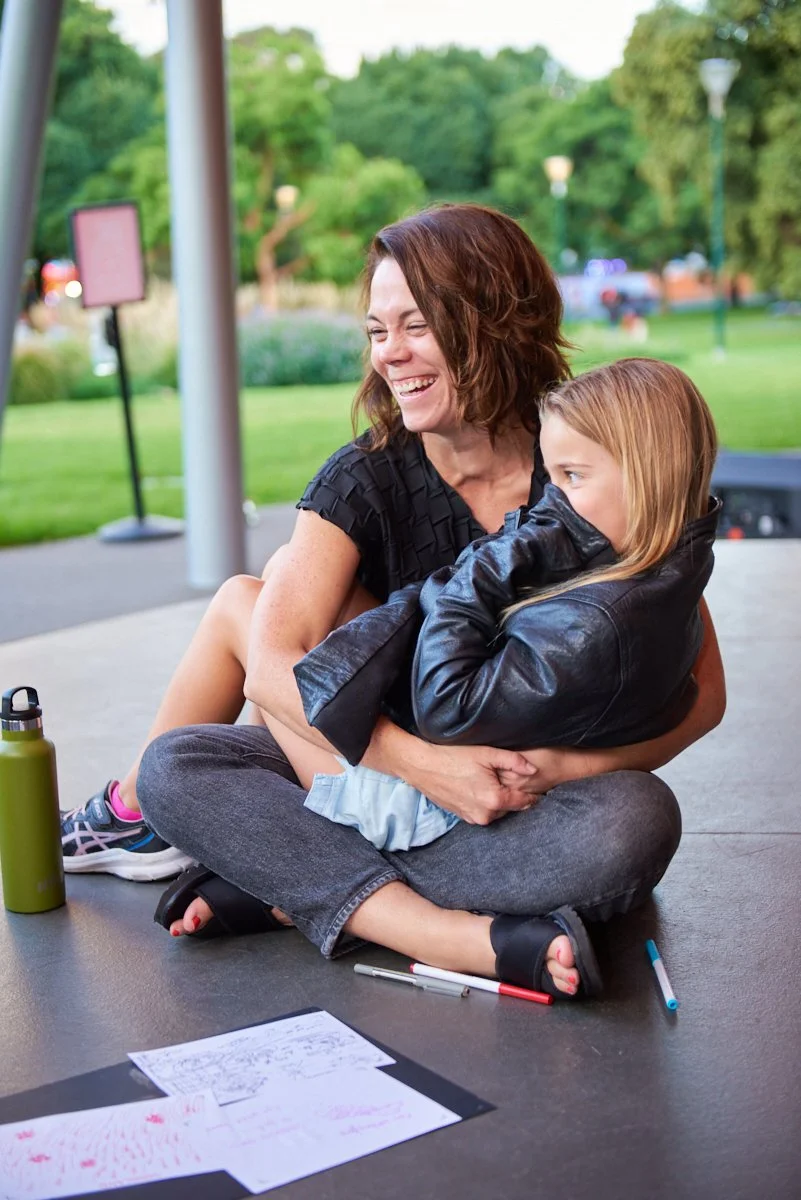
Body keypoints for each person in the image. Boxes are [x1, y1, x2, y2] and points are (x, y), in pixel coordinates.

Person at [70, 204, 725, 999]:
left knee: (638, 819)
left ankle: (299, 886)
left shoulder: (582, 454)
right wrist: (425, 768)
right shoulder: (362, 479)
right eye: (377, 331)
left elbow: (702, 693)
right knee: (179, 765)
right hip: (380, 758)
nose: (390, 355)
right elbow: (272, 669)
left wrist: (555, 770)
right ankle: (449, 934)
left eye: (415, 325)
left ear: (491, 321)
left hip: (520, 791)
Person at [296, 358, 719, 853]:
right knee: (287, 610)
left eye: (572, 477)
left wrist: (486, 569)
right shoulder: (658, 575)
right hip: (448, 764)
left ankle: (262, 855)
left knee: (244, 612)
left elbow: (442, 707)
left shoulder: (601, 620)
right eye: (551, 478)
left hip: (426, 805)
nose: (548, 501)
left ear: (649, 477)